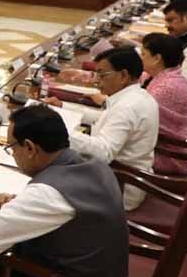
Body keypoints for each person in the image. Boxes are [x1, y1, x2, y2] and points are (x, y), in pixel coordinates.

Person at [0, 106, 129, 277]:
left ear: (30, 148)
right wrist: (21, 206)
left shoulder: (47, 194)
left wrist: (4, 213)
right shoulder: (95, 164)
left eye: (11, 147)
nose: (12, 154)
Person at [48, 47, 158, 210]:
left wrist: (56, 131)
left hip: (119, 188)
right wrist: (63, 107)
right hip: (125, 179)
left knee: (44, 179)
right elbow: (104, 119)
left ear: (123, 75)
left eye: (102, 75)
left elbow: (104, 152)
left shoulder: (127, 107)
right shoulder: (138, 96)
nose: (96, 81)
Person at [140, 32, 187, 175]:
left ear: (157, 58)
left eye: (143, 55)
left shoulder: (166, 87)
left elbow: (136, 119)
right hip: (166, 145)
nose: (140, 58)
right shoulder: (167, 73)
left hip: (170, 156)